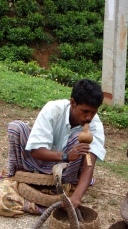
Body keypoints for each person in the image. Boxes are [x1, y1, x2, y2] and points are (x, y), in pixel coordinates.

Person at [6, 78, 105, 210]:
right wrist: (66, 156)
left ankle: (66, 183)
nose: (89, 117)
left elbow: (89, 165)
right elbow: (36, 151)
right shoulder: (53, 110)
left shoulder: (95, 125)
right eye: (85, 111)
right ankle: (16, 175)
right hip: (38, 160)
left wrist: (76, 197)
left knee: (79, 140)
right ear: (73, 103)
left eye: (93, 112)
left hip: (66, 171)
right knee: (15, 128)